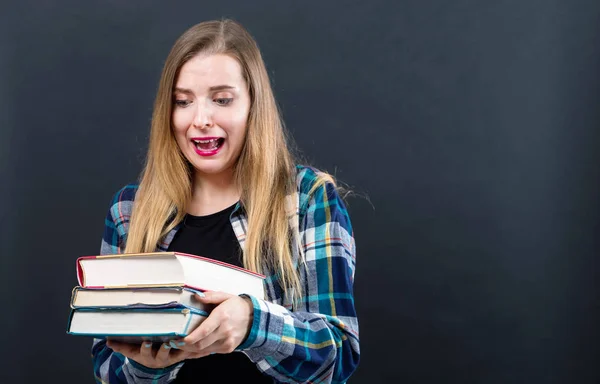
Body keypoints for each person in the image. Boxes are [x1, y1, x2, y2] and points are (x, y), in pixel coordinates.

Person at [91, 19, 359, 383]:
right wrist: (147, 367)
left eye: (222, 100)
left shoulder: (307, 198)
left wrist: (253, 325)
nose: (200, 119)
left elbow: (337, 355)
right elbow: (107, 368)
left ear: (252, 105)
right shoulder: (129, 210)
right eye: (183, 102)